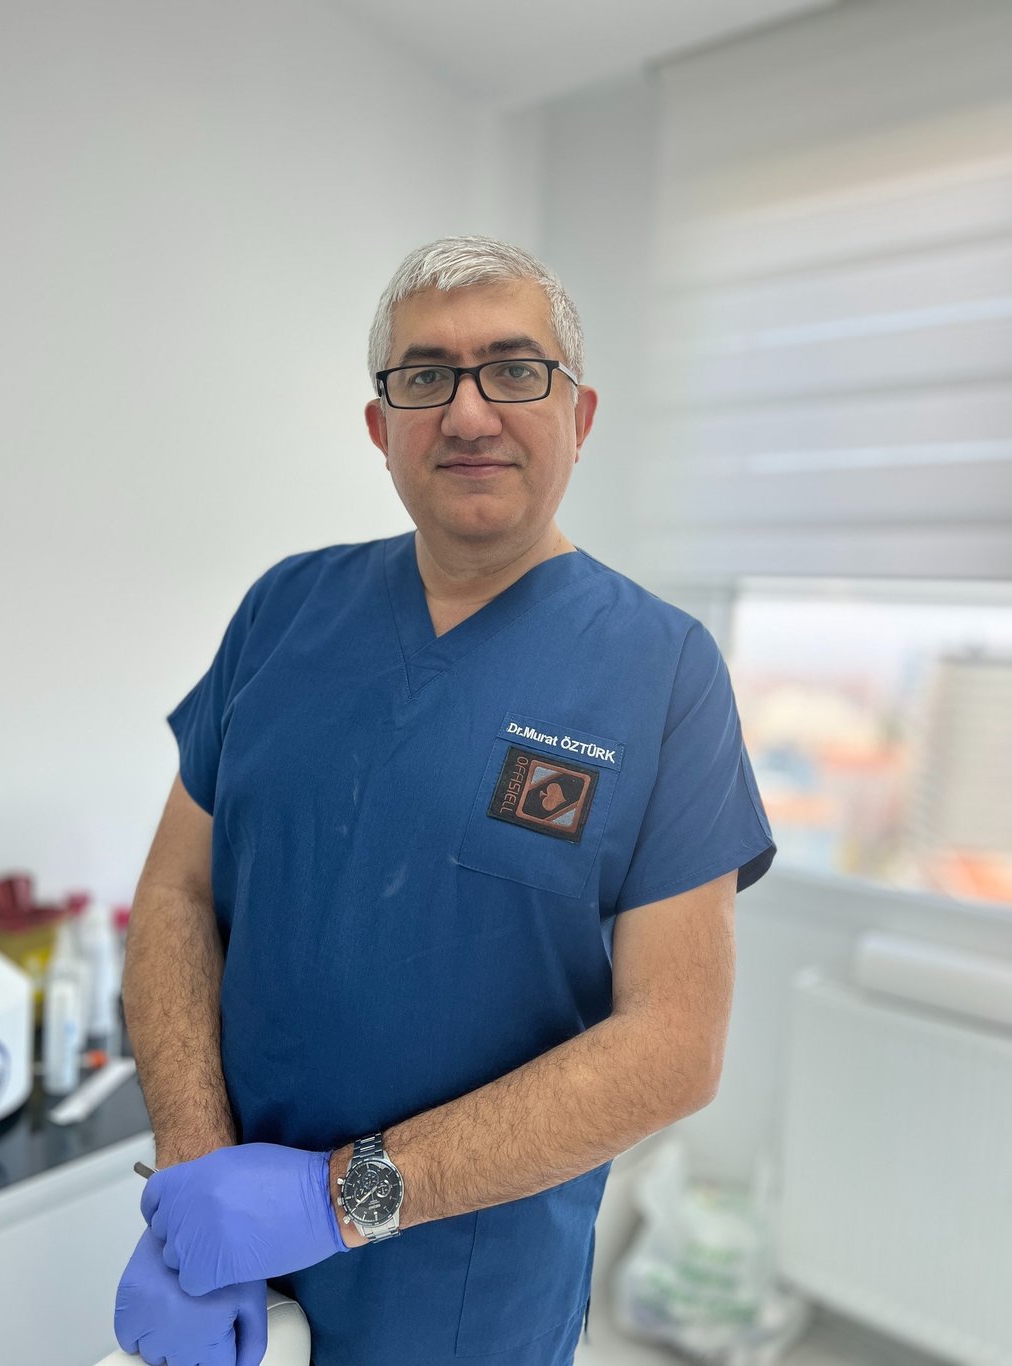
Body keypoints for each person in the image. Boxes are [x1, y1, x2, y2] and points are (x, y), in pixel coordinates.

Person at [115, 235, 776, 1366]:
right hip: (232, 1264)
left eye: (514, 369)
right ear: (382, 428)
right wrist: (192, 1168)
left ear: (579, 415)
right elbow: (175, 891)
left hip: (471, 1300)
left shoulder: (663, 670)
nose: (468, 414)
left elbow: (674, 1044)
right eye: (426, 376)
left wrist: (338, 1198)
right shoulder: (283, 610)